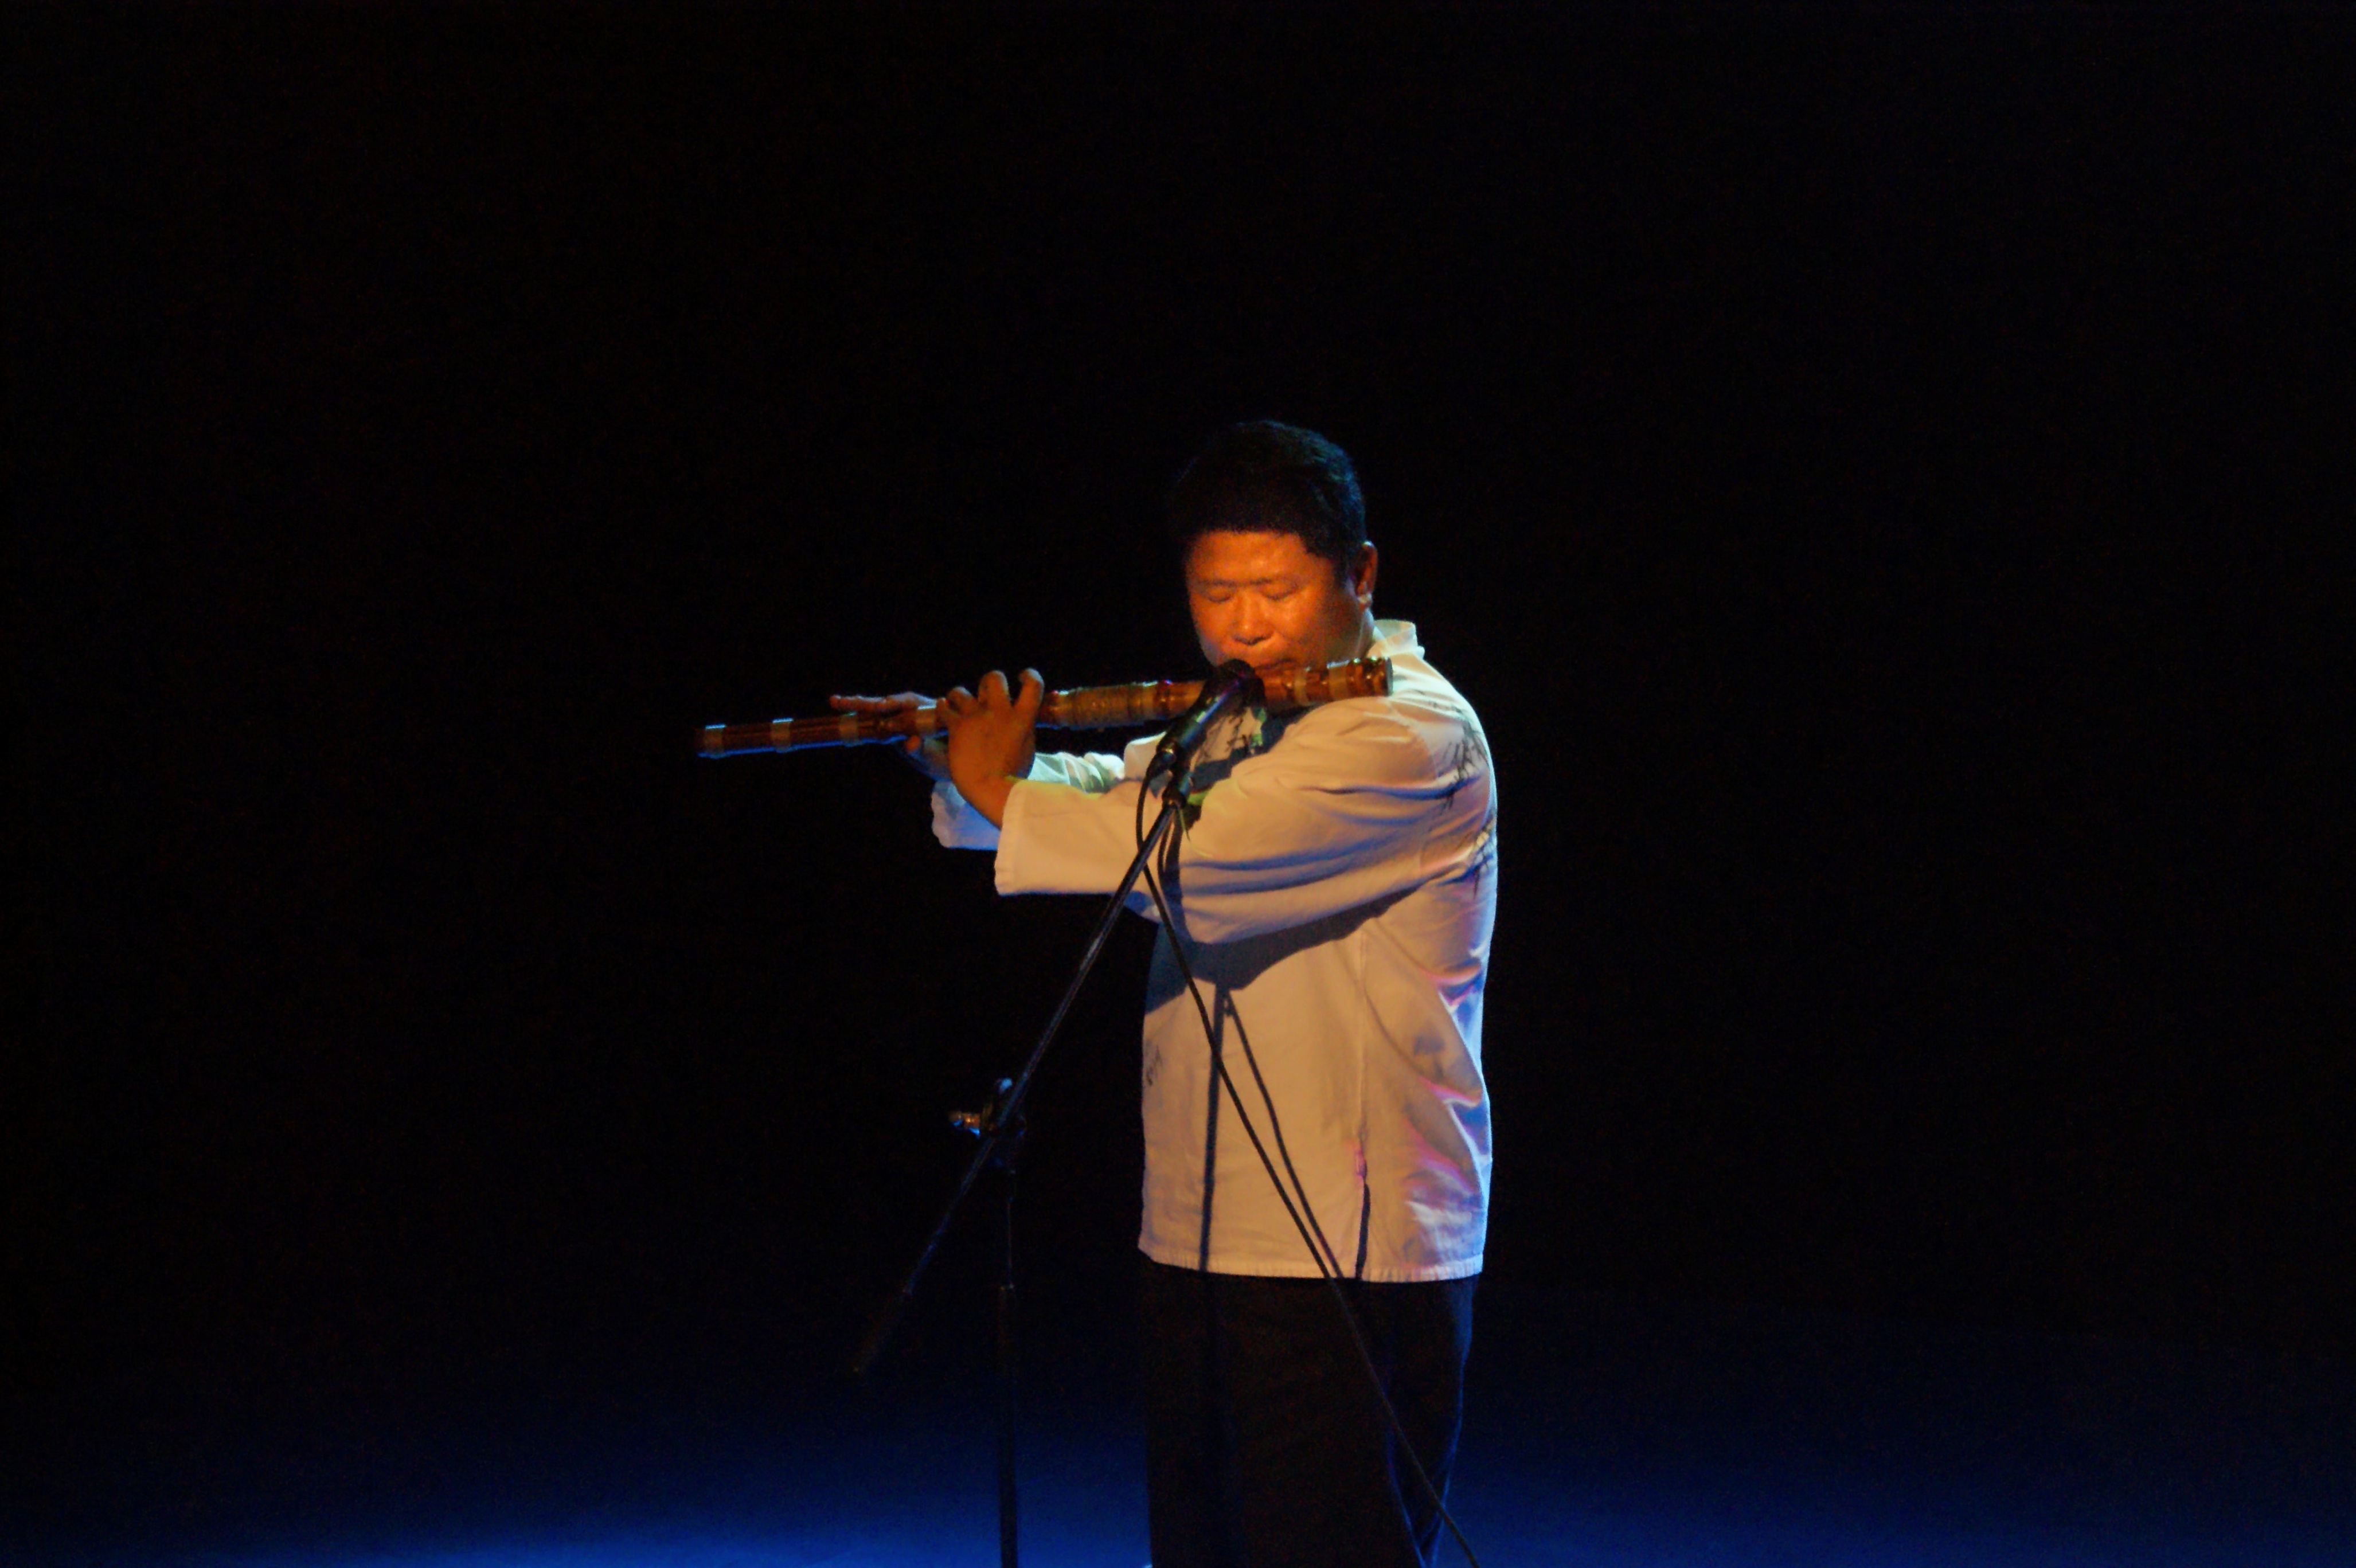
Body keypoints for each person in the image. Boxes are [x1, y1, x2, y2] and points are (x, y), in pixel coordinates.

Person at [835, 421, 1496, 1567]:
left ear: (1360, 573)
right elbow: (1113, 786)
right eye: (1215, 594)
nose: (1244, 625)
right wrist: (960, 759)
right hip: (1200, 1217)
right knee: (1201, 1546)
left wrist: (1001, 789)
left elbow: (1199, 859)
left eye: (1277, 592)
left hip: (1349, 1235)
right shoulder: (1241, 713)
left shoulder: (1409, 731)